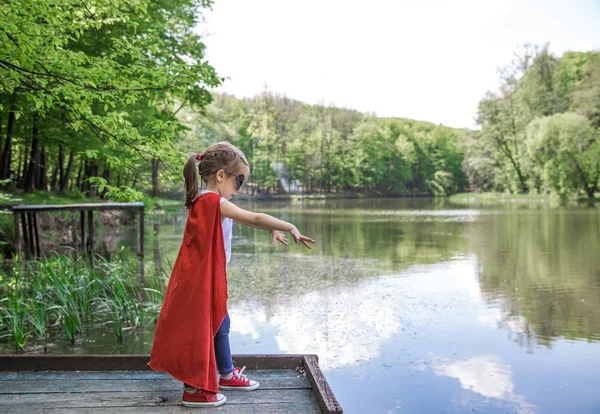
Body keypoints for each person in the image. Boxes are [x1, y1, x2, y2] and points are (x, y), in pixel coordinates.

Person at [148, 141, 316, 408]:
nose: (239, 189)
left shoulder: (207, 201)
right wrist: (289, 225)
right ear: (221, 176)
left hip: (201, 278)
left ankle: (225, 374)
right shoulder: (212, 201)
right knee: (199, 330)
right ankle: (195, 390)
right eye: (239, 182)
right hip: (199, 281)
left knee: (220, 324)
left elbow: (249, 222)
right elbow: (255, 217)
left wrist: (272, 230)